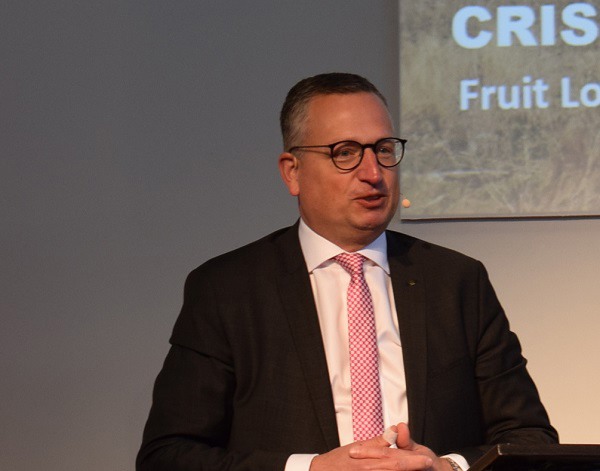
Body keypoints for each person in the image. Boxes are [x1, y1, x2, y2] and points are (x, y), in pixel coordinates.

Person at [136, 73, 557, 471]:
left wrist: (447, 466)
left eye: (384, 150)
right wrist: (312, 468)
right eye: (345, 153)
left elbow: (529, 439)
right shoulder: (227, 290)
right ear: (292, 172)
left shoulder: (457, 282)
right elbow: (169, 456)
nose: (373, 174)